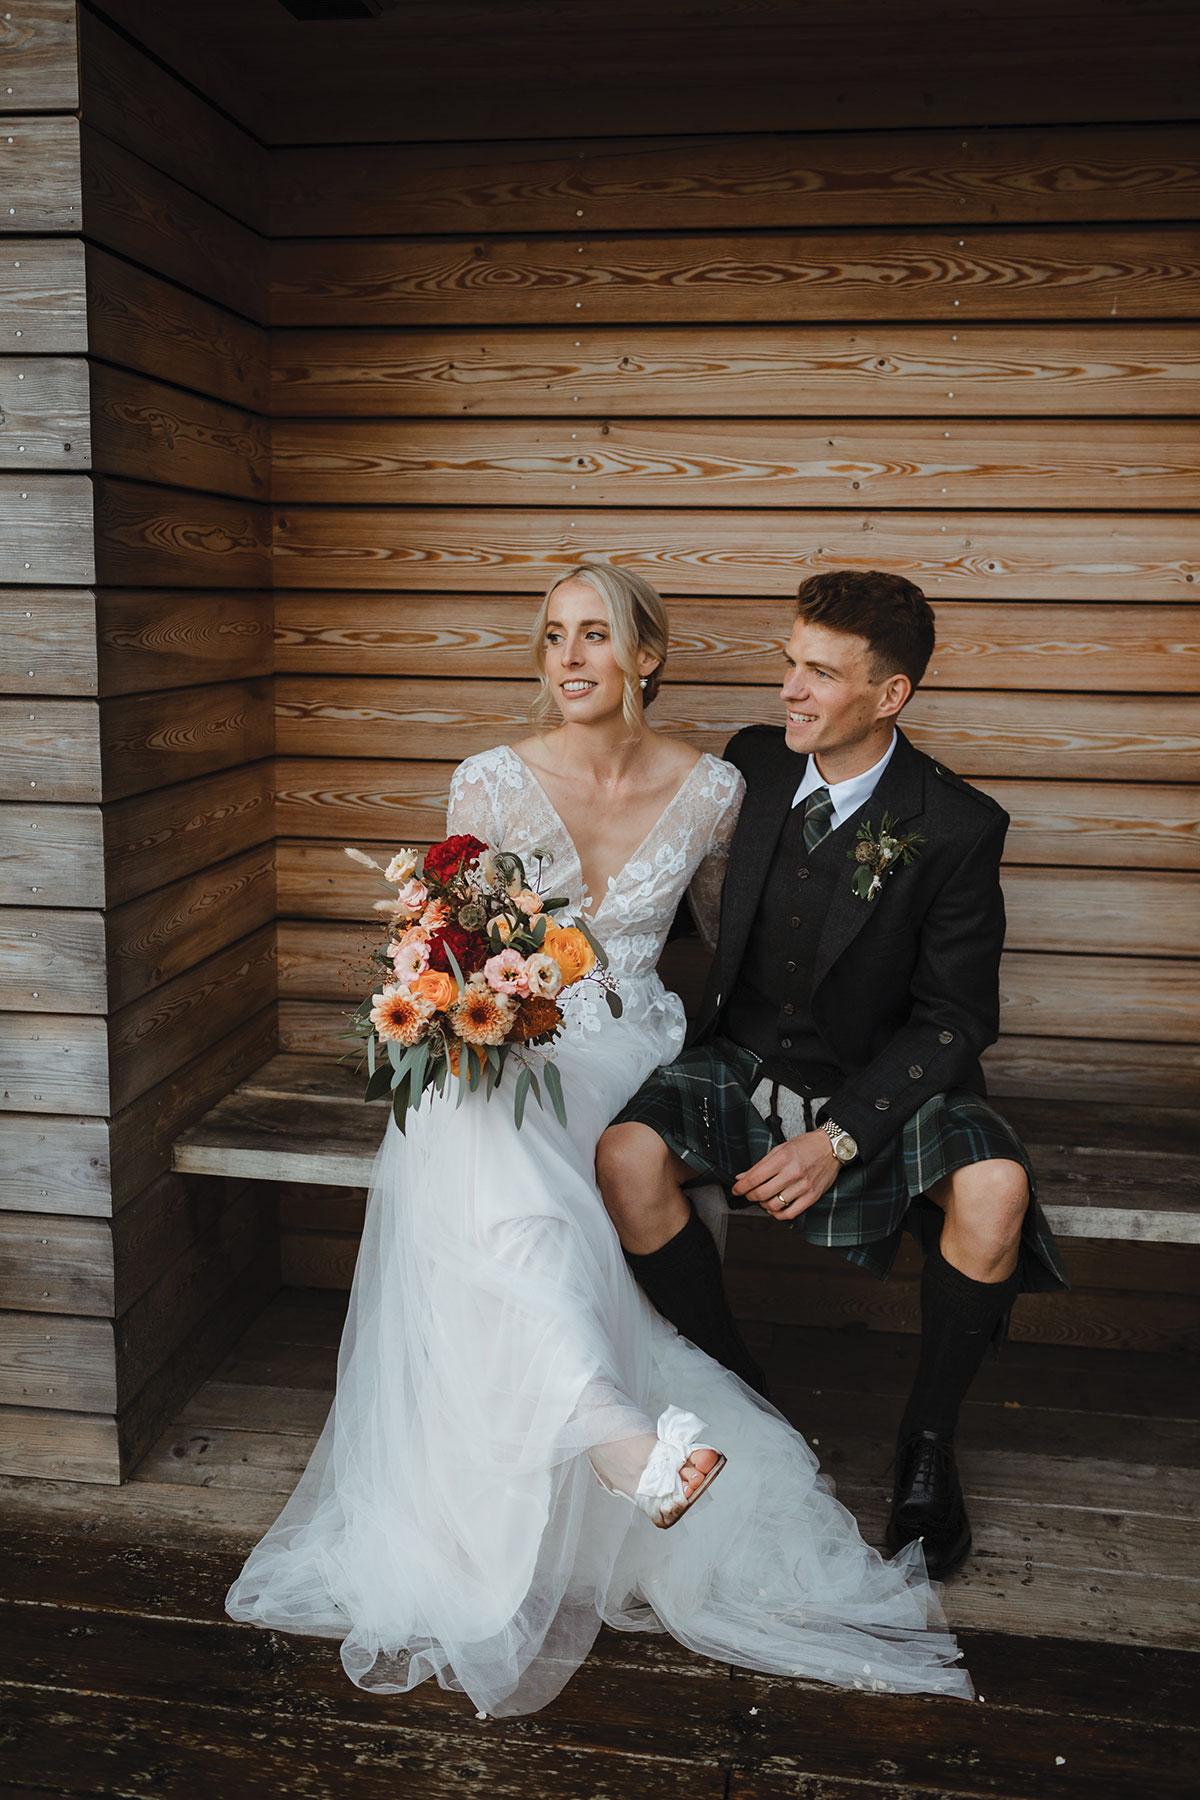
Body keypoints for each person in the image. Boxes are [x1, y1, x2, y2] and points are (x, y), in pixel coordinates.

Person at [226, 564, 974, 1718]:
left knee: (484, 1139)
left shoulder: (720, 788)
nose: (569, 660)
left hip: (631, 1047)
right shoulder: (487, 779)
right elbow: (451, 949)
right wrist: (447, 1008)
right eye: (551, 639)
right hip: (506, 1034)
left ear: (647, 657)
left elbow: (737, 946)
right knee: (471, 1110)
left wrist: (796, 1093)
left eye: (595, 638)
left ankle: (607, 1428)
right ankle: (616, 1433)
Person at [598, 569, 1068, 1580]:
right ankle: (743, 1396)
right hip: (742, 1060)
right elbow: (668, 895)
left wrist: (841, 1134)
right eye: (788, 662)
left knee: (996, 1192)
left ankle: (929, 1448)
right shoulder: (754, 767)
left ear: (889, 696)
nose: (790, 691)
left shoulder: (955, 823)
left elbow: (956, 1019)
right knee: (628, 1158)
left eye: (820, 672)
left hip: (879, 1079)